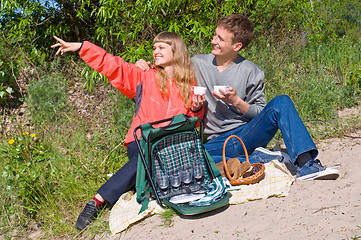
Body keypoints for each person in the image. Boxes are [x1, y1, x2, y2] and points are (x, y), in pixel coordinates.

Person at [136, 14, 339, 181]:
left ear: (237, 46)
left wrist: (236, 101)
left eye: (220, 39)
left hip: (247, 132)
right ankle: (261, 157)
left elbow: (261, 112)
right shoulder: (197, 64)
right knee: (189, 158)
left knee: (282, 102)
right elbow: (172, 65)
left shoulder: (251, 71)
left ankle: (307, 165)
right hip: (216, 141)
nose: (213, 41)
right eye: (215, 35)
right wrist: (145, 66)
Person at [51, 32, 206, 230]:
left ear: (175, 51)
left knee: (159, 162)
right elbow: (113, 65)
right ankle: (98, 200)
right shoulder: (144, 75)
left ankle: (143, 182)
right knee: (149, 154)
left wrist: (196, 109)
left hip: (172, 147)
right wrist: (82, 47)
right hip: (141, 142)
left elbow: (194, 123)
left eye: (161, 48)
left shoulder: (189, 84)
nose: (155, 52)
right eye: (154, 47)